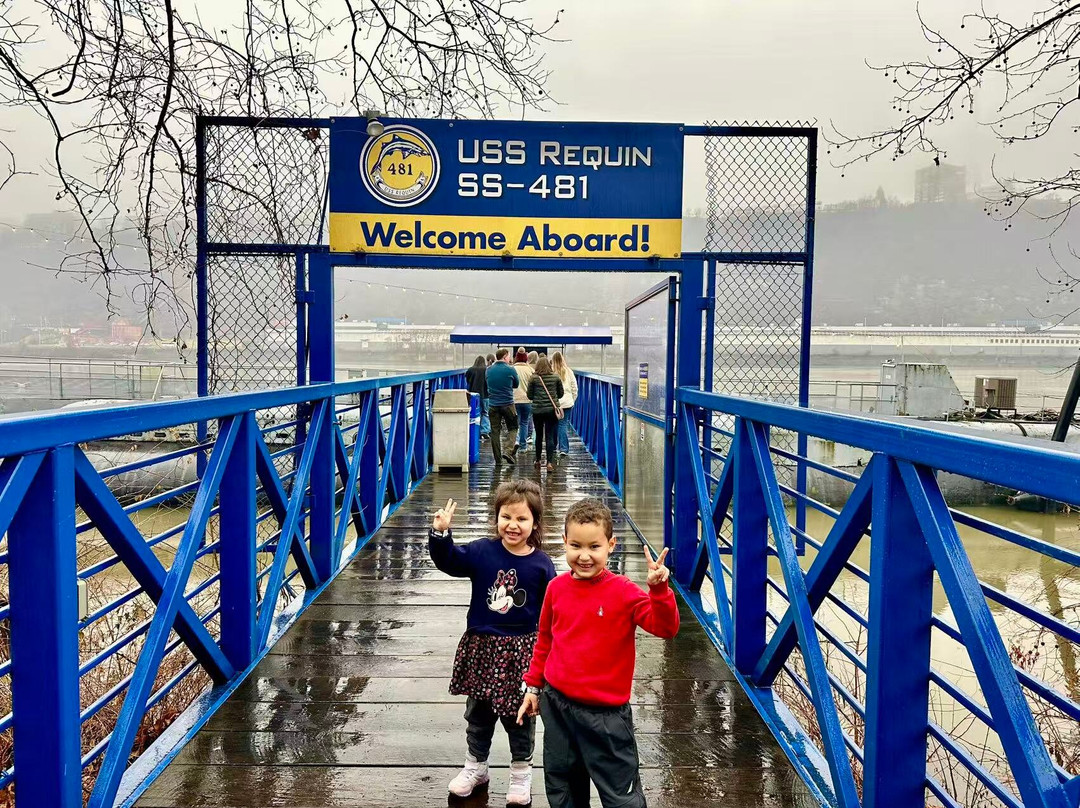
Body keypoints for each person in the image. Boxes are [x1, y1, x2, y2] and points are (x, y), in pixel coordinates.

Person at [517, 498, 679, 808]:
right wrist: (534, 686)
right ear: (565, 542)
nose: (584, 555)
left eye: (594, 547)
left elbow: (665, 628)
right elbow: (546, 640)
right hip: (558, 705)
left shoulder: (624, 591)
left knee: (621, 796)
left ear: (611, 545)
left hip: (606, 717)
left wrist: (659, 590)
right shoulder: (556, 588)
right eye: (576, 545)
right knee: (562, 785)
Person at [429, 481, 557, 805]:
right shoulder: (482, 551)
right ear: (496, 518)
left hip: (521, 652)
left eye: (521, 519)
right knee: (479, 714)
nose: (512, 525)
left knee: (520, 717)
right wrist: (441, 535)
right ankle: (475, 766)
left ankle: (520, 773)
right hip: (483, 649)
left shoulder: (542, 565)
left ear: (535, 523)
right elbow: (450, 561)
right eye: (505, 517)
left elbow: (553, 612)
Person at [527, 356, 564, 471]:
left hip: (537, 410)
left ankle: (538, 460)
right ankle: (549, 463)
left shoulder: (533, 378)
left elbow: (530, 396)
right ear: (549, 365)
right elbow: (561, 394)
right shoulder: (556, 377)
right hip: (551, 411)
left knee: (538, 435)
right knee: (549, 436)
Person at [486, 348, 520, 465]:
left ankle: (498, 460)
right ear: (505, 356)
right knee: (513, 428)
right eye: (509, 356)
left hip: (493, 405)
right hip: (508, 404)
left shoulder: (488, 370)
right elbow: (516, 384)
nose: (510, 358)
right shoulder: (510, 369)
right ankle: (508, 450)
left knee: (495, 432)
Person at [551, 351, 578, 457]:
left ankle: (553, 446)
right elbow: (574, 387)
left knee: (553, 424)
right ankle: (563, 448)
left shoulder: (551, 372)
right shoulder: (568, 371)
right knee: (563, 424)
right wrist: (572, 399)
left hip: (554, 403)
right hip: (567, 402)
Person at [512, 348, 535, 452]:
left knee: (515, 423)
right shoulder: (530, 370)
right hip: (527, 400)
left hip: (514, 399)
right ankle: (523, 446)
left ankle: (515, 442)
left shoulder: (512, 369)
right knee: (524, 423)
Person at [465, 355, 490, 440]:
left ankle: (475, 431)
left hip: (473, 396)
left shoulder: (470, 370)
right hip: (485, 394)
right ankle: (484, 431)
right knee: (485, 413)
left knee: (475, 414)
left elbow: (467, 381)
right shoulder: (486, 370)